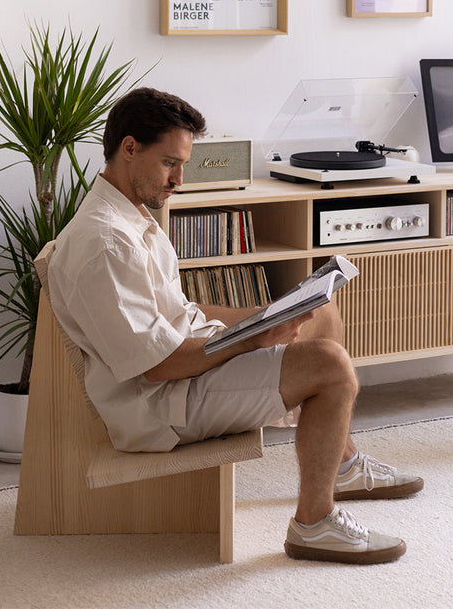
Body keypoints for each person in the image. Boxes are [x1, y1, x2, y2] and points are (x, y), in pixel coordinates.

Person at [47, 87, 423, 564]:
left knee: (320, 313)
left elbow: (177, 312)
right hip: (161, 407)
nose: (179, 180)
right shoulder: (106, 243)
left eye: (183, 164)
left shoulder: (131, 217)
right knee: (329, 365)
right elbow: (156, 369)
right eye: (170, 164)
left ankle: (342, 464)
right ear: (129, 148)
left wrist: (264, 315)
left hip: (186, 368)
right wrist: (249, 342)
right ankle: (314, 524)